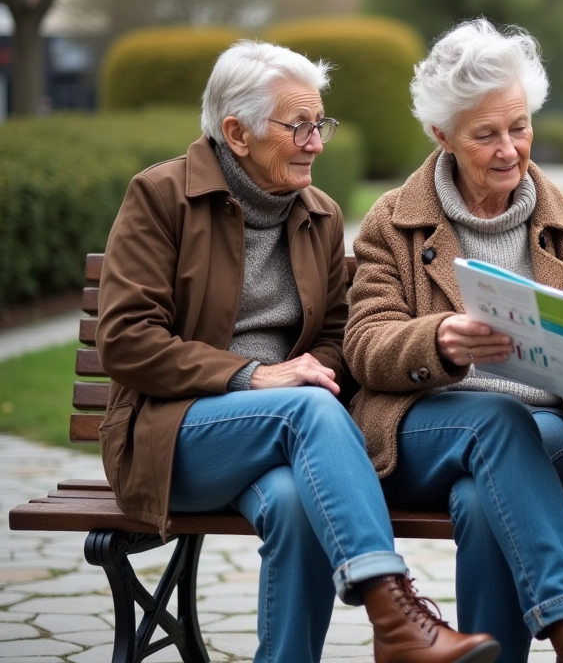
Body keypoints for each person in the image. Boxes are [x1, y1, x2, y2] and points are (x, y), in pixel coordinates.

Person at [95, 40, 500, 663]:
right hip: (172, 434)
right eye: (299, 126)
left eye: (321, 124)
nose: (316, 142)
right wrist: (252, 376)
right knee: (305, 409)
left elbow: (338, 336)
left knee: (294, 501)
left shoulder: (319, 214)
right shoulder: (161, 197)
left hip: (277, 438)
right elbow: (126, 339)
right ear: (236, 132)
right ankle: (394, 612)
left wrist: (311, 371)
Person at [345, 18, 563, 663]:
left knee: (485, 502)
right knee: (494, 423)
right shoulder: (393, 223)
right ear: (441, 135)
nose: (509, 148)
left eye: (520, 126)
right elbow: (365, 345)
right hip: (422, 432)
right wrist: (440, 342)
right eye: (485, 135)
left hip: (550, 434)